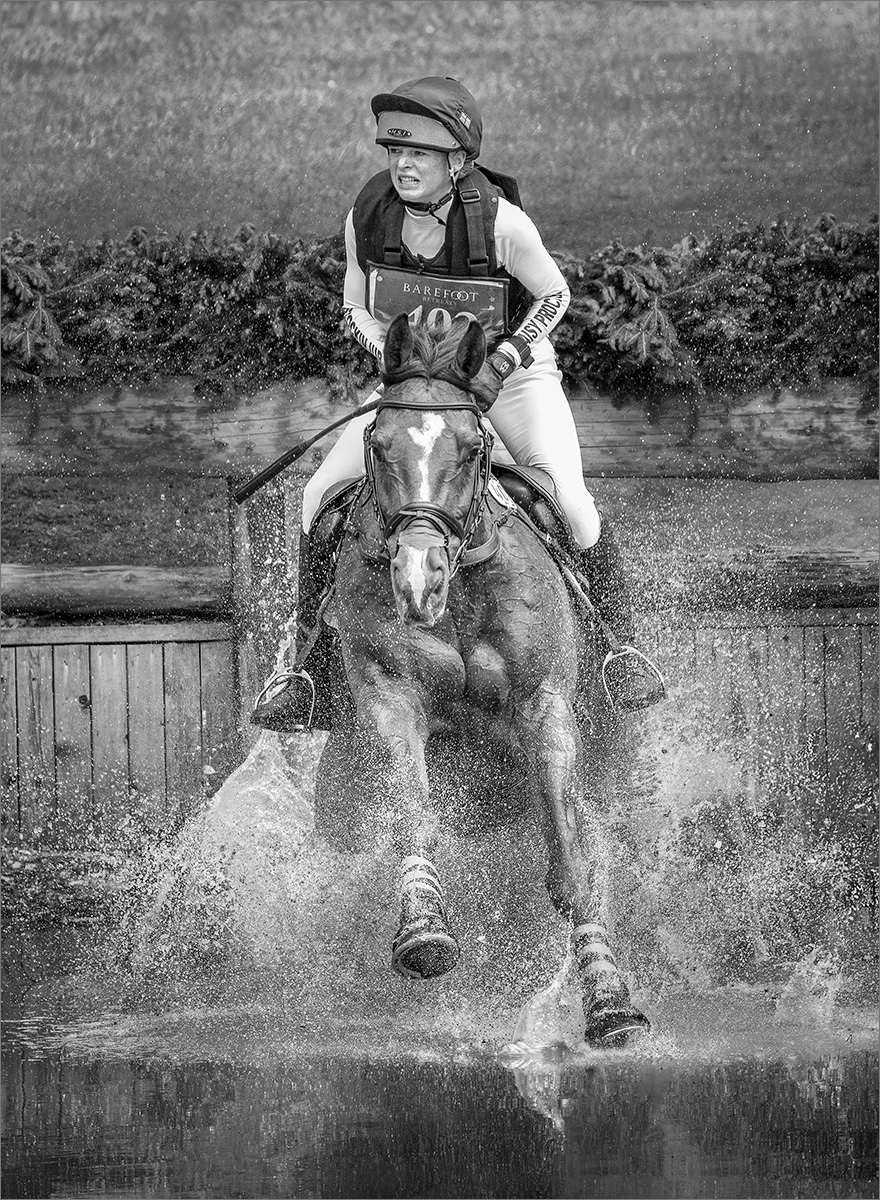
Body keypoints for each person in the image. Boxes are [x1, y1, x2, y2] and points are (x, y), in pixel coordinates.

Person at [252, 76, 665, 731]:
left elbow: (555, 295)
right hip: (417, 386)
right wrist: (395, 355)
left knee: (571, 503)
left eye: (419, 154)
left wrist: (505, 358)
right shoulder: (368, 216)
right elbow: (356, 305)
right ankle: (302, 669)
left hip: (511, 381)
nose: (402, 165)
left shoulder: (501, 223)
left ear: (459, 161)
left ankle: (622, 649)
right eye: (395, 151)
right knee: (316, 497)